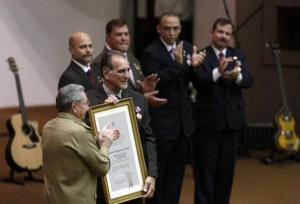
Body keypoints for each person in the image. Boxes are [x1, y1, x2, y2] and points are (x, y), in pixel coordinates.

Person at [139, 11, 205, 204]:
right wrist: (178, 64)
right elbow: (156, 82)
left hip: (183, 125)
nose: (171, 32)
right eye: (167, 28)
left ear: (180, 29)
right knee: (159, 175)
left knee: (177, 176)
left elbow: (196, 81)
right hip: (161, 124)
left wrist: (195, 66)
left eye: (176, 28)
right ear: (159, 29)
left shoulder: (184, 49)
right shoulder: (151, 52)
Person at [192, 18, 254, 204]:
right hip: (208, 123)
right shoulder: (202, 54)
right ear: (212, 32)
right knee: (205, 174)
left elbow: (249, 81)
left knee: (225, 175)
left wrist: (238, 76)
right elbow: (198, 81)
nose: (224, 36)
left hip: (231, 123)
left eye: (227, 33)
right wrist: (218, 71)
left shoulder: (238, 55)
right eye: (220, 32)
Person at [86, 50, 157, 204]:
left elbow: (147, 138)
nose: (127, 75)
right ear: (106, 73)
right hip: (101, 186)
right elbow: (80, 139)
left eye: (128, 70)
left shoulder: (138, 99)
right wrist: (100, 112)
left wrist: (152, 173)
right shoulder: (89, 100)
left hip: (131, 184)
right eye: (121, 71)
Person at [42, 84, 120, 204]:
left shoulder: (48, 127)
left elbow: (70, 151)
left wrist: (96, 139)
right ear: (74, 106)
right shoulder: (80, 132)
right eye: (86, 103)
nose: (88, 108)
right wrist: (105, 145)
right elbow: (102, 168)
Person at [91, 18, 167, 107]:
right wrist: (142, 99)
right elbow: (102, 96)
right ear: (108, 38)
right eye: (119, 34)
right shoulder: (99, 63)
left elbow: (134, 91)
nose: (124, 38)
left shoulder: (131, 58)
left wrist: (144, 90)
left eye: (126, 34)